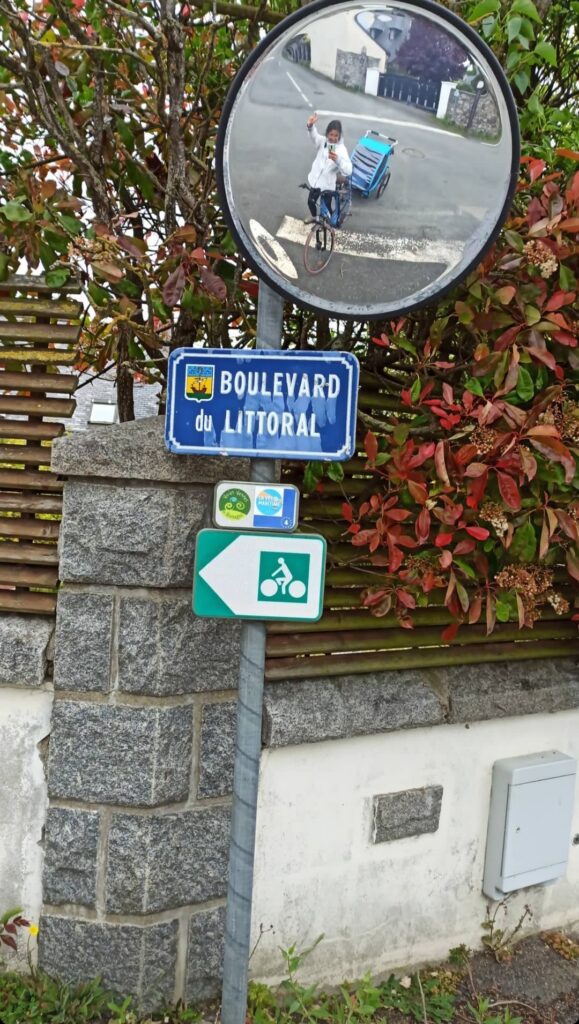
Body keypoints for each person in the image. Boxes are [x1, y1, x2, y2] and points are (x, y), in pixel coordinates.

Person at [305, 112, 352, 221]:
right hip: (316, 180)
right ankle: (313, 216)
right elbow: (314, 137)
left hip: (327, 184)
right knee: (310, 202)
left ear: (339, 136)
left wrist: (338, 160)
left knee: (326, 207)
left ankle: (328, 222)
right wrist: (310, 126)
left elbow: (348, 169)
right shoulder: (322, 142)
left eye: (336, 135)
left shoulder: (341, 150)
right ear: (327, 134)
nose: (333, 138)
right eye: (331, 134)